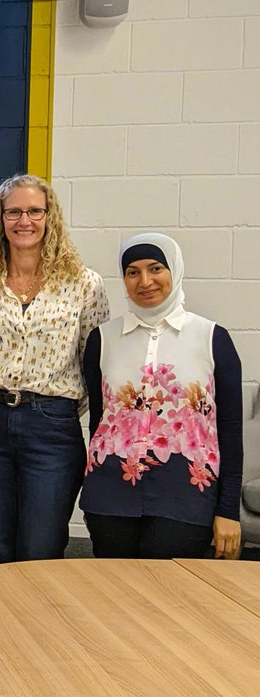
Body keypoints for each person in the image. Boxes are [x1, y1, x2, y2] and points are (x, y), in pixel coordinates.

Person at [0, 174, 110, 565]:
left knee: (41, 548)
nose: (23, 220)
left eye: (34, 211)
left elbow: (92, 363)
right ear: (0, 219)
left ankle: (37, 628)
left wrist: (61, 410)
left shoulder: (84, 285)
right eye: (13, 212)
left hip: (52, 426)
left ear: (50, 217)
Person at [81, 233, 242, 560]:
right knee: (114, 595)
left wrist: (228, 510)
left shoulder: (211, 338)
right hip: (110, 496)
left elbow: (229, 431)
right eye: (132, 272)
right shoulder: (102, 339)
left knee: (170, 600)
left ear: (174, 270)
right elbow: (99, 422)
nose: (145, 281)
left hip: (187, 496)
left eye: (156, 268)